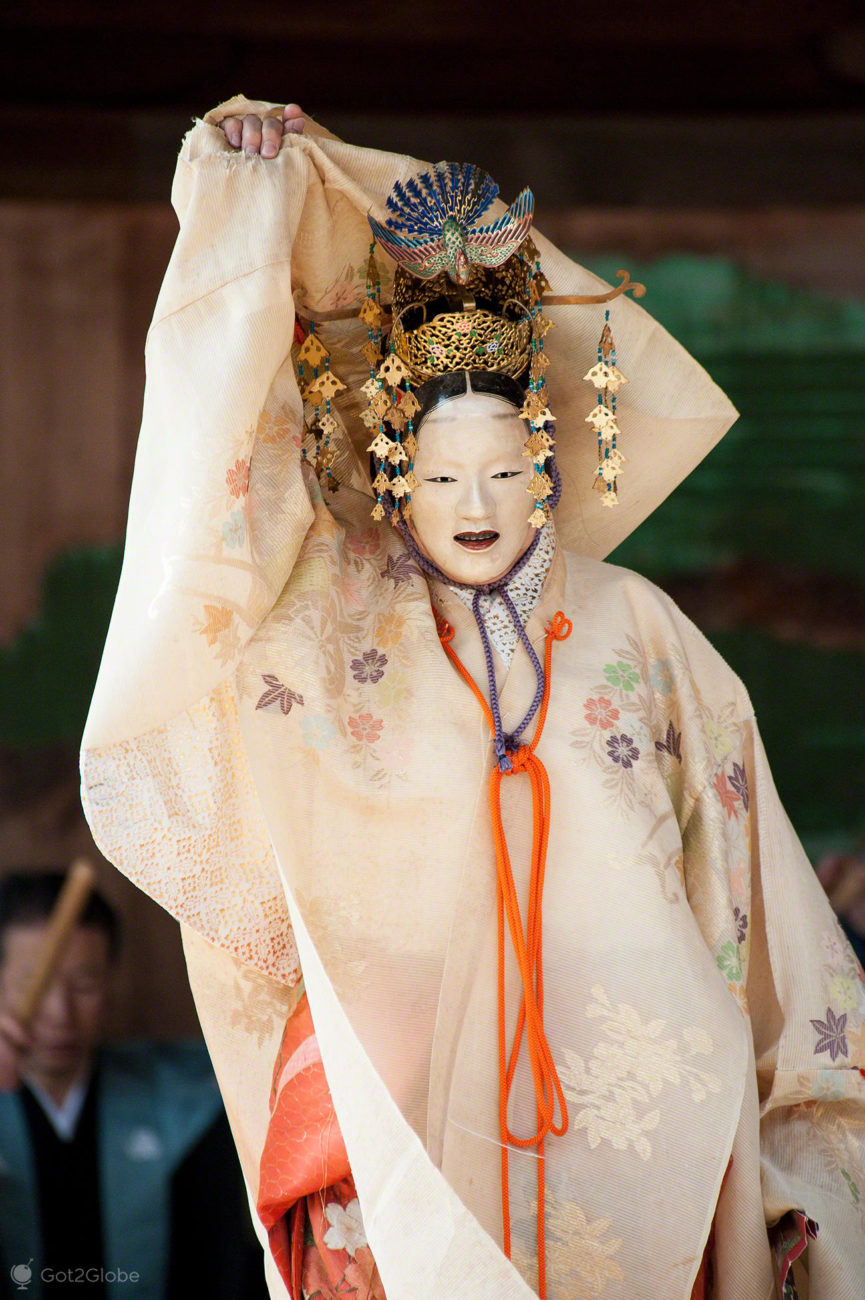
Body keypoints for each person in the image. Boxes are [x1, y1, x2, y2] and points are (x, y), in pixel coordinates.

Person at [80, 96, 865, 1299]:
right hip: (407, 1107)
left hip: (644, 1095)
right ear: (392, 464)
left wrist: (775, 1111)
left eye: (506, 468)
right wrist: (247, 195)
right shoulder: (330, 615)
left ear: (549, 457)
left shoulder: (638, 622)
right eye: (442, 473)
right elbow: (223, 474)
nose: (479, 502)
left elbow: (739, 869)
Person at [0, 870, 267, 1300]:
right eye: (34, 982)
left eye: (85, 983)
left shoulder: (181, 1097)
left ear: (111, 982)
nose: (59, 1012)